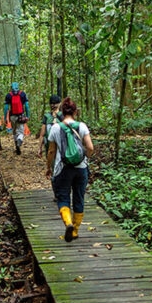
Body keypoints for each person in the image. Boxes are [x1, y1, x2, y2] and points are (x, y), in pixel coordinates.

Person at [46, 97, 94, 242]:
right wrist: (85, 158)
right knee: (79, 198)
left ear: (61, 111)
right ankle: (75, 231)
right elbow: (90, 148)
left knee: (63, 197)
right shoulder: (82, 126)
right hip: (81, 169)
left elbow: (51, 152)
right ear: (75, 112)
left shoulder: (55, 127)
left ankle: (68, 224)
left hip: (63, 169)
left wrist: (48, 167)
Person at [4, 82, 30, 155]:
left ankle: (16, 146)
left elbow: (6, 108)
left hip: (12, 116)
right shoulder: (22, 94)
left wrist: (5, 118)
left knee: (14, 131)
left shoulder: (8, 95)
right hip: (20, 116)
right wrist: (28, 115)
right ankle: (19, 142)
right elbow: (27, 106)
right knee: (21, 132)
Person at [37, 94, 63, 159]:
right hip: (61, 146)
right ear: (59, 104)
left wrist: (39, 148)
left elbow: (42, 134)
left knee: (51, 164)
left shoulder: (47, 116)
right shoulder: (63, 116)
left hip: (49, 146)